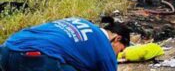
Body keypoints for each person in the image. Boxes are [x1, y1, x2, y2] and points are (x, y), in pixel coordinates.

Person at [0, 17, 130, 71]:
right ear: (117, 39)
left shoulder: (79, 20)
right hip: (37, 59)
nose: (117, 54)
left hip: (7, 48)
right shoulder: (105, 47)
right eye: (121, 50)